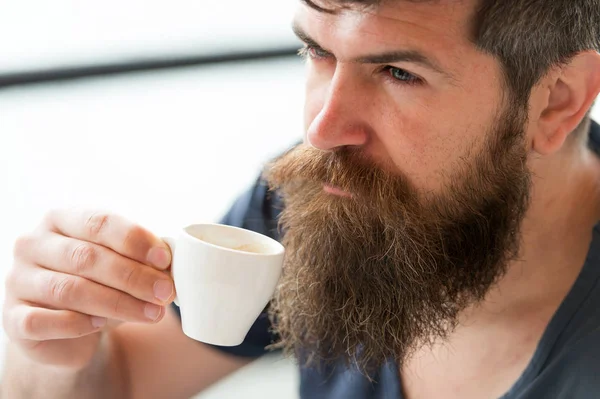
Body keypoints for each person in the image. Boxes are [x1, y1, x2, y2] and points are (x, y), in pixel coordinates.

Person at [3, 0, 600, 398]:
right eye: (317, 51)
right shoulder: (333, 194)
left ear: (556, 101)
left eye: (397, 72)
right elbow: (125, 379)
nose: (322, 130)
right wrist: (58, 351)